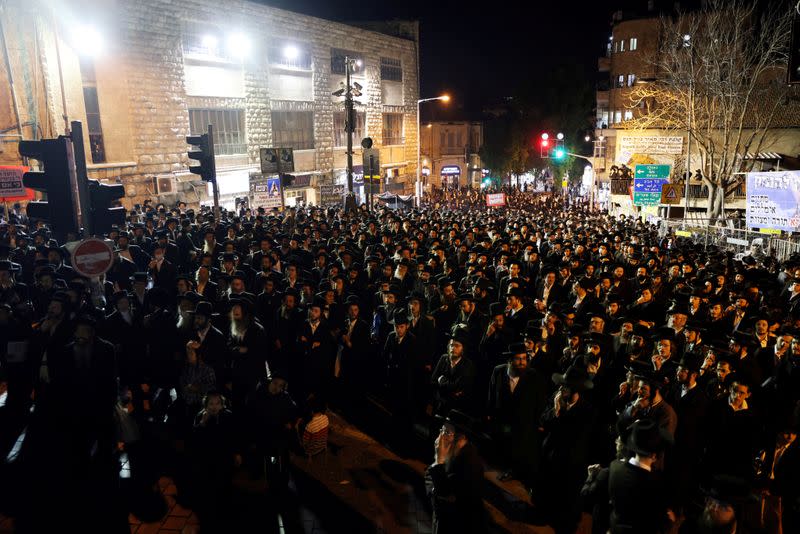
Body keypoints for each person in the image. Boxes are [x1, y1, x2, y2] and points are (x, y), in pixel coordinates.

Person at [424, 411, 488, 534]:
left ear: (461, 438)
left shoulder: (470, 465)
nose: (441, 437)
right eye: (442, 430)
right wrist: (436, 491)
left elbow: (444, 493)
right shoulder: (451, 452)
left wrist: (439, 460)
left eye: (447, 433)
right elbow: (429, 478)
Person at [608, 419, 675, 533]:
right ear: (654, 456)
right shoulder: (655, 484)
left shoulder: (615, 467)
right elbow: (657, 523)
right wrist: (669, 520)